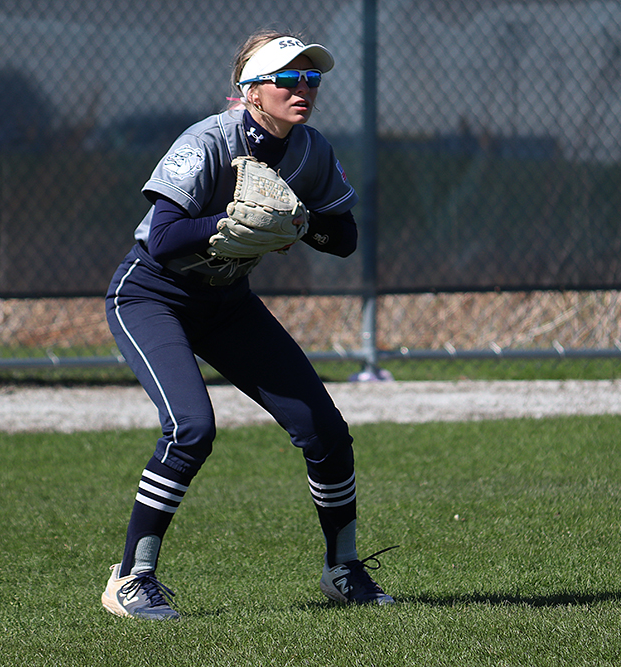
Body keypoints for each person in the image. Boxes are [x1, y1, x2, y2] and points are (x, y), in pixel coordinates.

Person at [100, 30, 395, 621]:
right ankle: (132, 578)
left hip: (227, 302)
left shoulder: (310, 150)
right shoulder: (210, 138)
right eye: (287, 78)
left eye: (311, 78)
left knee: (326, 431)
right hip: (153, 295)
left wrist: (298, 219)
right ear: (252, 89)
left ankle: (343, 568)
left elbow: (344, 238)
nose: (303, 89)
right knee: (191, 428)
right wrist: (229, 220)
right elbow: (160, 239)